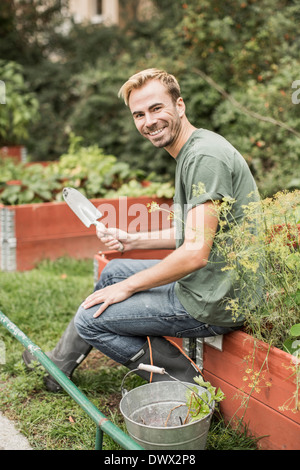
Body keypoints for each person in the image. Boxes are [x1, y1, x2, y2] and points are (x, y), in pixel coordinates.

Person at [23, 69, 261, 391]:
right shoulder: (193, 150)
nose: (148, 121)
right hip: (213, 281)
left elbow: (194, 254)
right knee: (115, 271)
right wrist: (133, 239)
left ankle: (189, 384)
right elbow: (192, 236)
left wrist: (130, 287)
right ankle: (58, 366)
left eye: (156, 108)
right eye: (139, 114)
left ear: (180, 105)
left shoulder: (203, 158)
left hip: (216, 299)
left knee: (88, 320)